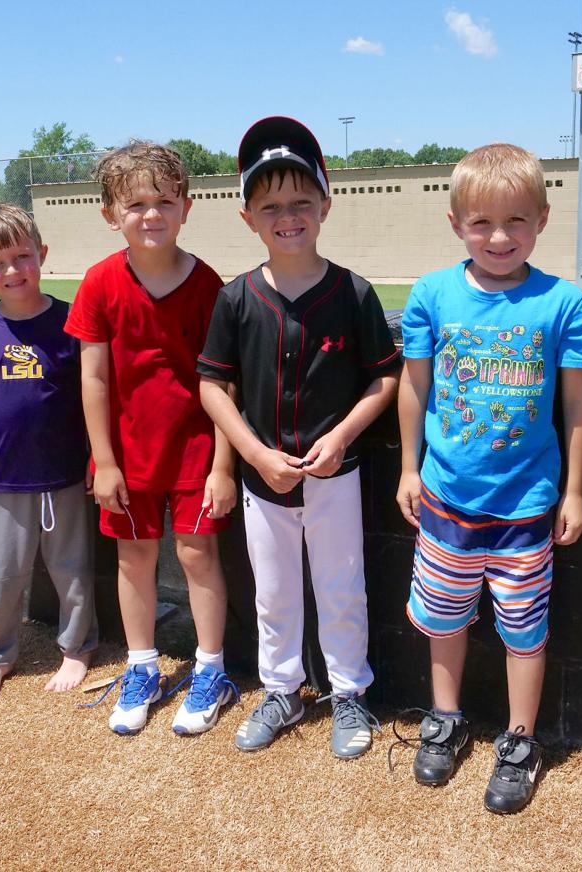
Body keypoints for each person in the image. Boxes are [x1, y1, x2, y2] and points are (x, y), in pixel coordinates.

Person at [395, 142, 582, 813]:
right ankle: (446, 719)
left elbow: (576, 403)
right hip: (446, 498)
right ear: (457, 224)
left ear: (541, 219)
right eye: (481, 222)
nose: (499, 236)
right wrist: (406, 468)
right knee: (445, 621)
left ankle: (519, 740)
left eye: (516, 220)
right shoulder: (432, 293)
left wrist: (573, 489)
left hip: (526, 507)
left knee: (523, 628)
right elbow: (414, 388)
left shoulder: (562, 303)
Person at [198, 116, 400, 759]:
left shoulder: (354, 292)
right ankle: (282, 688)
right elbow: (211, 387)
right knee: (275, 592)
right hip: (263, 478)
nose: (289, 216)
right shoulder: (236, 298)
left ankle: (347, 693)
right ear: (247, 216)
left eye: (301, 202)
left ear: (326, 204)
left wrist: (341, 436)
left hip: (335, 472)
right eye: (271, 206)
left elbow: (384, 380)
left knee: (342, 587)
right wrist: (252, 454)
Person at [65, 141, 238, 736]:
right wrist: (103, 460)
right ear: (110, 213)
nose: (151, 214)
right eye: (134, 203)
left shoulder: (210, 284)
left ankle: (210, 668)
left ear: (187, 207)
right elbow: (92, 377)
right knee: (134, 558)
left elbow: (222, 382)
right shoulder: (100, 282)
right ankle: (141, 664)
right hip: (127, 456)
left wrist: (223, 467)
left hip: (195, 451)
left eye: (164, 200)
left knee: (196, 555)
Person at [0, 204, 98, 699]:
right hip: (2, 478)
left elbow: (93, 395)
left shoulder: (71, 322)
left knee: (71, 570)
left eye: (22, 256)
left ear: (42, 255)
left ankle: (77, 649)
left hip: (64, 475)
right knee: (2, 575)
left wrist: (99, 458)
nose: (12, 271)